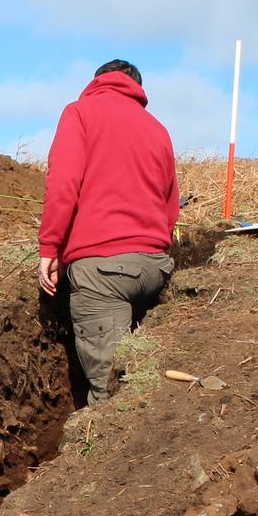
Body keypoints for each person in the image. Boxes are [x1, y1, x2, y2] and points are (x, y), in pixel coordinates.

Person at [37, 60, 179, 406]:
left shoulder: (80, 113)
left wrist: (49, 247)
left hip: (102, 272)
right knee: (138, 378)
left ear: (97, 81)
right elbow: (170, 204)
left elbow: (63, 183)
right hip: (153, 267)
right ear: (138, 88)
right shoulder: (157, 128)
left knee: (110, 396)